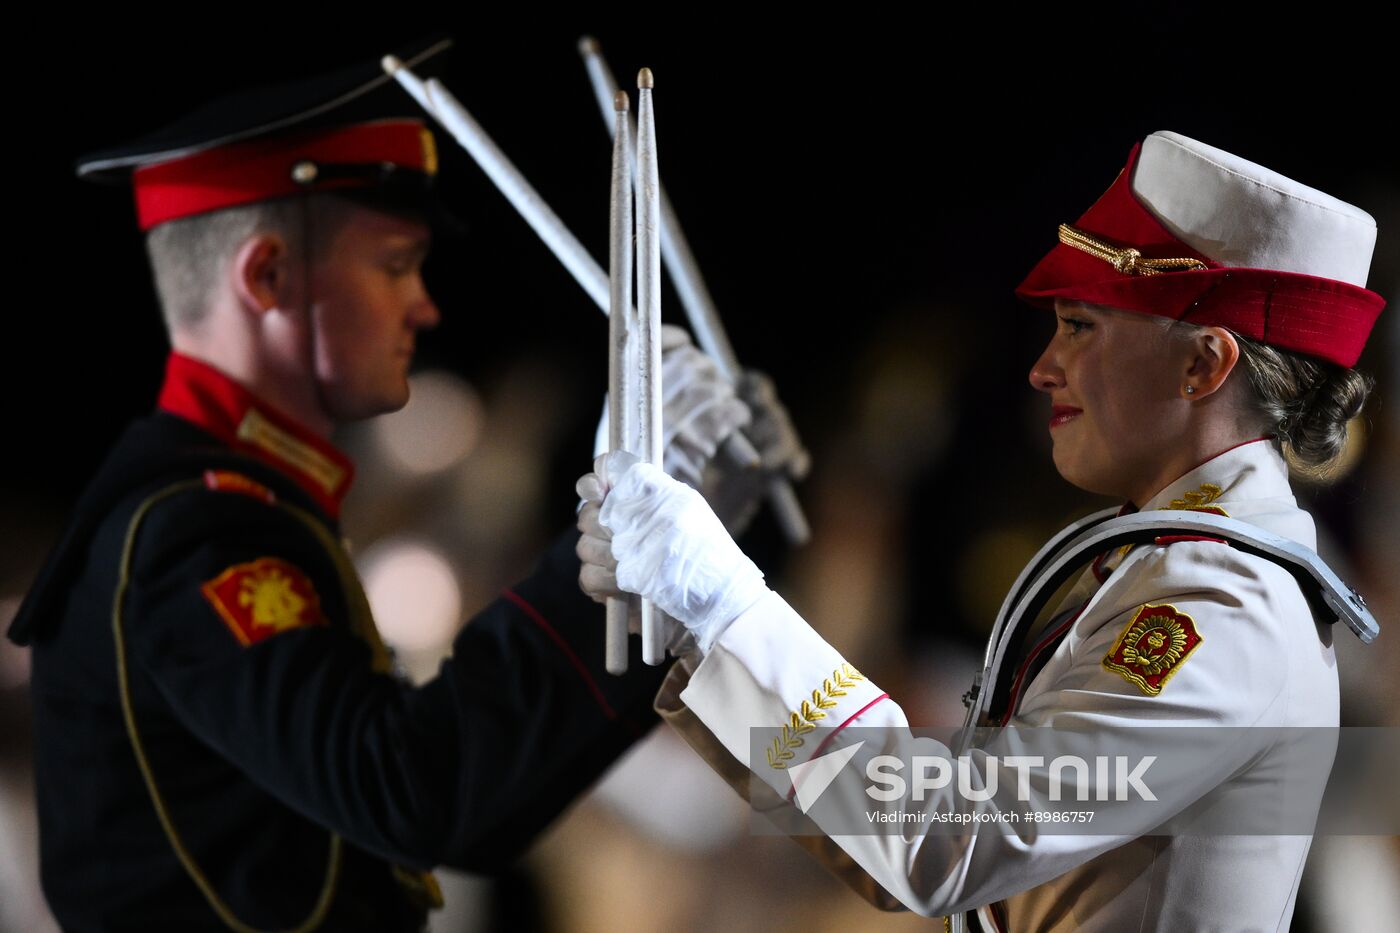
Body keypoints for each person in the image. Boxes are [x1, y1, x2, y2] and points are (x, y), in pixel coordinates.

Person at [7, 43, 795, 931]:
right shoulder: (189, 533)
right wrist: (619, 541)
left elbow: (475, 802)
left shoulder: (228, 507)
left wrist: (686, 559)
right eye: (393, 264)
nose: (424, 304)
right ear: (267, 277)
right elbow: (415, 789)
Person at [577, 130, 1385, 930]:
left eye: (1080, 326)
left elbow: (946, 840)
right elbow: (914, 848)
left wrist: (728, 610)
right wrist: (698, 628)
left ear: (1204, 365)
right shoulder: (1178, 564)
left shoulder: (1222, 606)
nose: (1043, 367)